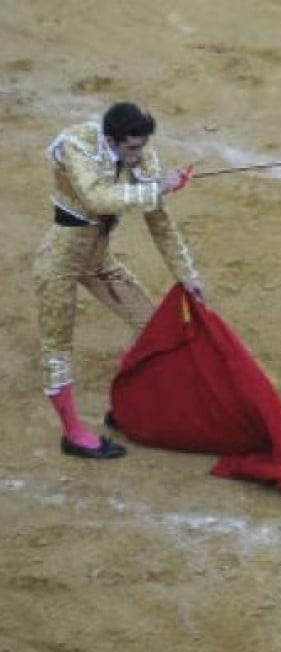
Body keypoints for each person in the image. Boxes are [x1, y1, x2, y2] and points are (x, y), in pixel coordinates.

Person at [33, 101, 203, 459]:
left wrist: (187, 275)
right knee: (58, 350)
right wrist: (153, 189)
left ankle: (127, 406)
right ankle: (74, 434)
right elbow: (96, 199)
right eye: (132, 148)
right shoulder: (75, 146)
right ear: (111, 141)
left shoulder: (141, 159)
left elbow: (161, 225)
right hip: (59, 262)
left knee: (153, 327)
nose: (139, 156)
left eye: (142, 147)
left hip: (98, 262)